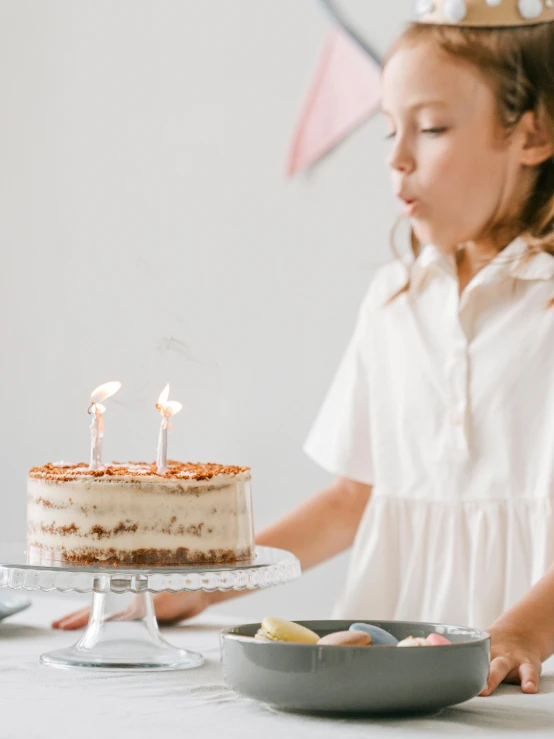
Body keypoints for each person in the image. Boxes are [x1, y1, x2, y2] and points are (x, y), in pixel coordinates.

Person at [54, 0, 554, 695]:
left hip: (531, 673)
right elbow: (354, 498)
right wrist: (208, 587)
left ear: (533, 134)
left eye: (432, 127)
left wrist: (522, 632)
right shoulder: (394, 298)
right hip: (393, 665)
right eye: (387, 131)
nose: (398, 158)